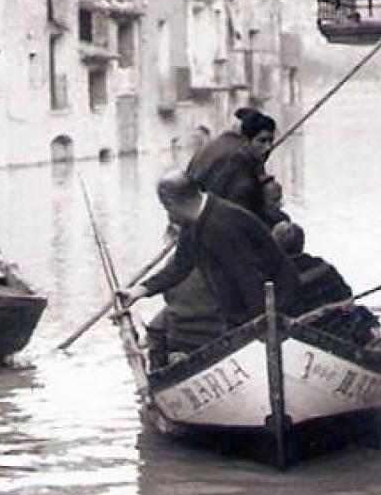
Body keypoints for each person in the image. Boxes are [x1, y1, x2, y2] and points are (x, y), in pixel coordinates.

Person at [119, 171, 303, 367]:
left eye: (165, 208)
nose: (167, 215)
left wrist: (257, 329)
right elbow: (179, 267)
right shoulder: (194, 221)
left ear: (170, 203)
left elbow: (250, 279)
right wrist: (138, 291)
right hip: (243, 310)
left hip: (275, 304)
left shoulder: (223, 225)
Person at [187, 107, 283, 224]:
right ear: (246, 138)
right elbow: (243, 210)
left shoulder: (209, 148)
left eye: (270, 141)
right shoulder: (241, 161)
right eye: (262, 141)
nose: (268, 148)